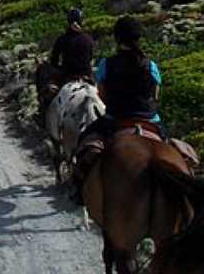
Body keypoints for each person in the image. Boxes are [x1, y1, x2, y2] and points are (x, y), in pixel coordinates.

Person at [70, 16, 166, 204]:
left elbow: (102, 95)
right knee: (171, 146)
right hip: (150, 119)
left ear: (117, 38)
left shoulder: (107, 64)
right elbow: (155, 95)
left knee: (84, 141)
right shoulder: (151, 65)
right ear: (138, 38)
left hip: (116, 119)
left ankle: (80, 190)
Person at [35, 8, 94, 126]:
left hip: (67, 76)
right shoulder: (88, 39)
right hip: (86, 76)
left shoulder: (62, 39)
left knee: (49, 95)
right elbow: (90, 57)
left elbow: (54, 61)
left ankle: (42, 117)